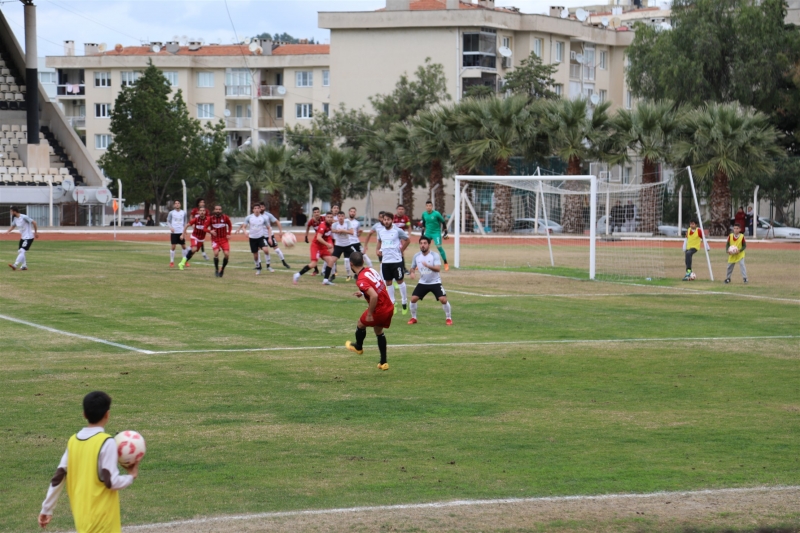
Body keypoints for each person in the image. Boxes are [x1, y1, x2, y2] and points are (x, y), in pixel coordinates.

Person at [38, 391, 140, 532]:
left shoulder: (73, 441)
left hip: (82, 521)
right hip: (104, 523)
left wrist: (47, 508)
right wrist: (130, 476)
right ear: (107, 414)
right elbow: (111, 482)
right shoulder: (107, 442)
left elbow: (58, 477)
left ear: (84, 414)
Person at [345, 252, 394, 370]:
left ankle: (358, 347)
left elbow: (374, 296)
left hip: (380, 308)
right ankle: (383, 363)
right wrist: (362, 292)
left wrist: (370, 313)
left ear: (351, 264)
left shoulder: (360, 279)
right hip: (389, 306)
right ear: (363, 262)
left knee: (360, 324)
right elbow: (378, 285)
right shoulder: (371, 270)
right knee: (378, 331)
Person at [408, 235, 453, 326]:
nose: (422, 245)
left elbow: (437, 269)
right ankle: (414, 318)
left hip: (435, 282)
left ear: (429, 245)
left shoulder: (434, 255)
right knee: (413, 299)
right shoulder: (416, 256)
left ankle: (448, 318)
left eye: (425, 243)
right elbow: (412, 268)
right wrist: (412, 272)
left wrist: (428, 266)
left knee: (443, 300)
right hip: (423, 282)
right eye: (421, 243)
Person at [376, 211, 411, 315]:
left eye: (388, 220)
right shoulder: (381, 231)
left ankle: (404, 301)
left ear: (392, 220)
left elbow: (407, 240)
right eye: (385, 220)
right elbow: (379, 241)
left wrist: (401, 250)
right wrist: (378, 250)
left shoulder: (397, 230)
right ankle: (392, 302)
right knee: (388, 282)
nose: (386, 221)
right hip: (385, 261)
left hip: (396, 261)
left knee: (400, 281)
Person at [293, 212, 337, 285]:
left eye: (331, 217)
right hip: (316, 246)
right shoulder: (323, 225)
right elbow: (318, 238)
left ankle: (325, 280)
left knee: (331, 260)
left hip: (322, 246)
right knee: (313, 264)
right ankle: (297, 275)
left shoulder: (330, 224)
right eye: (328, 217)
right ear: (325, 218)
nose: (329, 218)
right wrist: (328, 245)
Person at [236, 204, 275, 275]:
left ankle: (268, 266)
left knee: (266, 250)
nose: (257, 209)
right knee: (256, 255)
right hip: (252, 238)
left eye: (258, 208)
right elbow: (244, 226)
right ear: (253, 210)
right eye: (255, 208)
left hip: (261, 237)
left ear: (260, 210)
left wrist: (270, 238)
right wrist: (245, 232)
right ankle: (258, 268)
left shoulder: (264, 218)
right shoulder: (249, 217)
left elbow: (269, 228)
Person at [257, 202, 291, 269]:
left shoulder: (268, 215)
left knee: (277, 249)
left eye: (262, 207)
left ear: (264, 208)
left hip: (270, 235)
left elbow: (277, 222)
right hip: (261, 236)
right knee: (257, 250)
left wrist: (280, 231)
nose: (261, 208)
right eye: (260, 207)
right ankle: (259, 265)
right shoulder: (256, 216)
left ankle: (284, 263)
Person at [420, 200, 449, 271]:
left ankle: (445, 263)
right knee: (423, 246)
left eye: (430, 206)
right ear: (425, 207)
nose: (428, 207)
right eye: (427, 206)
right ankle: (421, 263)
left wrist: (445, 230)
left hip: (436, 233)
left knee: (439, 247)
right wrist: (423, 231)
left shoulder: (436, 214)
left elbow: (443, 221)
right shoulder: (424, 214)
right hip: (428, 233)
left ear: (432, 206)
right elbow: (424, 222)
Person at [6, 206, 38, 271]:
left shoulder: (24, 217)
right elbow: (13, 225)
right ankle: (24, 266)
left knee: (22, 251)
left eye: (11, 211)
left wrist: (35, 232)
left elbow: (34, 222)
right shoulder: (15, 219)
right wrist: (8, 231)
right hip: (23, 237)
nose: (10, 213)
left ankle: (15, 265)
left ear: (14, 211)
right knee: (20, 251)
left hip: (29, 237)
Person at [178, 206, 209, 271]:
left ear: (205, 212)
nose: (202, 212)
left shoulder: (208, 220)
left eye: (203, 211)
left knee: (192, 253)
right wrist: (182, 234)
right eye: (201, 211)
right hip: (194, 237)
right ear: (199, 212)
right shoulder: (196, 219)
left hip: (201, 239)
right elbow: (187, 225)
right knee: (194, 249)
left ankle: (182, 262)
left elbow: (213, 226)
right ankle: (183, 262)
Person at [207, 204, 232, 278]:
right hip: (215, 239)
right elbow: (204, 228)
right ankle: (216, 269)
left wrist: (228, 233)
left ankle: (222, 269)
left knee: (227, 255)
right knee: (216, 253)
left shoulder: (225, 217)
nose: (218, 211)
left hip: (224, 239)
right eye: (216, 209)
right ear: (214, 210)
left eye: (219, 209)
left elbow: (230, 225)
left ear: (221, 210)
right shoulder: (210, 219)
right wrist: (210, 231)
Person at [346, 207, 373, 277]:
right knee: (354, 258)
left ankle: (371, 271)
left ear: (355, 213)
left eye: (354, 212)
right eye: (351, 211)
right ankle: (352, 274)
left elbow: (357, 235)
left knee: (364, 256)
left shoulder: (357, 223)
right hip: (349, 243)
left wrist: (360, 233)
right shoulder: (346, 221)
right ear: (349, 212)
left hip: (357, 242)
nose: (352, 213)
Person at [331, 211, 355, 279]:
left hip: (347, 244)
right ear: (337, 217)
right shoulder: (335, 224)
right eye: (339, 216)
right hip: (338, 245)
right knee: (332, 260)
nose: (340, 217)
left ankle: (350, 275)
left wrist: (343, 231)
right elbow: (332, 230)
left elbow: (352, 232)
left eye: (342, 216)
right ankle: (332, 275)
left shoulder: (347, 223)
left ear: (344, 217)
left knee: (350, 260)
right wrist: (336, 231)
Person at [166, 200, 188, 268]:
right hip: (174, 232)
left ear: (180, 205)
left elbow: (185, 222)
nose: (177, 204)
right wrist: (171, 227)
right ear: (174, 205)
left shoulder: (183, 213)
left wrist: (184, 230)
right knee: (173, 247)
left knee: (184, 246)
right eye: (176, 203)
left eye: (178, 203)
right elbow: (168, 221)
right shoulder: (171, 213)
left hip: (181, 232)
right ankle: (171, 262)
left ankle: (185, 261)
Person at [393, 205, 411, 274]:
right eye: (399, 209)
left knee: (401, 252)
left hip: (401, 238)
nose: (400, 210)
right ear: (397, 210)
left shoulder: (406, 218)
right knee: (399, 252)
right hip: (394, 238)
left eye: (402, 209)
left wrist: (409, 235)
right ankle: (402, 268)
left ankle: (403, 268)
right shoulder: (393, 217)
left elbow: (409, 226)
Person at [304, 207, 322, 276]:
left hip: (326, 240)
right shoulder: (311, 221)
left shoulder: (323, 219)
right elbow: (308, 227)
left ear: (320, 213)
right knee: (314, 256)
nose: (316, 213)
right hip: (318, 240)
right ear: (313, 214)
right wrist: (306, 236)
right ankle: (316, 270)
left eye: (318, 212)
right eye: (315, 212)